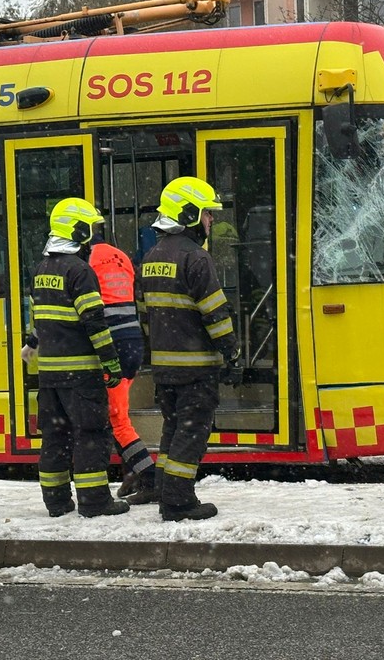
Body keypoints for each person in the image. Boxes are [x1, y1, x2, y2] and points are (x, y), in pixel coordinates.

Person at [137, 176, 241, 522]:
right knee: (192, 433)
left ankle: (165, 488)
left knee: (173, 429)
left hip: (164, 369)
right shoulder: (196, 258)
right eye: (208, 214)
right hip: (196, 368)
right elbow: (215, 313)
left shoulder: (151, 256)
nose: (212, 221)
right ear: (191, 214)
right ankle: (179, 502)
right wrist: (231, 352)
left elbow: (146, 317)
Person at [27, 198, 129, 518]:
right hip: (81, 373)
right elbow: (94, 322)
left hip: (50, 374)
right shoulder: (79, 270)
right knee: (91, 435)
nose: (93, 237)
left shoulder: (42, 269)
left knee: (55, 438)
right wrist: (111, 362)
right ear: (79, 230)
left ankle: (56, 501)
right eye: (92, 229)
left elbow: (38, 322)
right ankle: (95, 500)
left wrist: (32, 345)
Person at [87, 232, 157, 504]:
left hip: (112, 346)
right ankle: (133, 472)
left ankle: (150, 478)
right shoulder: (122, 258)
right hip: (132, 343)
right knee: (117, 413)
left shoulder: (87, 261)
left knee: (117, 421)